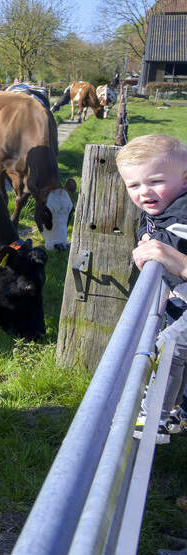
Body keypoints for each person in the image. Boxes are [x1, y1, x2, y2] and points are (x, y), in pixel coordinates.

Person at [119, 135, 187, 439]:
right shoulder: (161, 209)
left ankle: (155, 415)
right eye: (133, 185)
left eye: (155, 181)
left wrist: (175, 260)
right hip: (179, 298)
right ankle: (178, 411)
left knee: (169, 344)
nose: (144, 192)